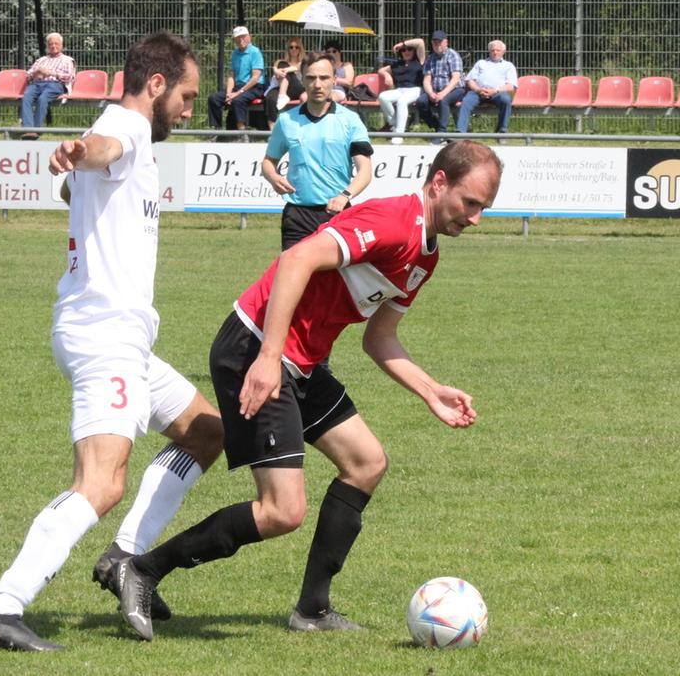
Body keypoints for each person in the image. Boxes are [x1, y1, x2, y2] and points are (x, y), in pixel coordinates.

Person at [117, 140, 504, 642]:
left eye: (483, 209)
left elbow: (379, 338)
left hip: (300, 361)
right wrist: (267, 359)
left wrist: (431, 391)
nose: (474, 218)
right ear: (438, 184)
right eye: (470, 203)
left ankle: (313, 610)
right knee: (282, 511)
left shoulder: (424, 259)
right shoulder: (390, 223)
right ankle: (143, 570)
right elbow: (298, 259)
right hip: (255, 346)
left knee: (366, 463)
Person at [0, 31, 222, 653]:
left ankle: (124, 559)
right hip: (103, 334)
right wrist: (80, 152)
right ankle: (4, 608)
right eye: (186, 96)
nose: (189, 110)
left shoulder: (123, 139)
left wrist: (77, 167)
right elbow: (102, 146)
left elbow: (84, 174)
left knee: (207, 431)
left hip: (123, 338)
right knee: (101, 482)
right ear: (156, 85)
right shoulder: (126, 128)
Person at [261, 51, 373, 251]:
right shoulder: (286, 120)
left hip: (337, 215)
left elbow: (365, 171)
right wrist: (273, 177)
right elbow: (269, 161)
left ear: (334, 80)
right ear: (302, 80)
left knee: (334, 281)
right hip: (297, 216)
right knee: (294, 280)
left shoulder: (350, 120)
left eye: (324, 78)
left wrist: (344, 196)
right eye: (311, 78)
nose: (318, 84)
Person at [207, 26, 266, 139]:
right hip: (238, 87)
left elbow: (255, 78)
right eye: (237, 38)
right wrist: (229, 93)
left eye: (243, 37)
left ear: (249, 37)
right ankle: (217, 132)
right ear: (234, 40)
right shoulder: (235, 53)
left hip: (255, 87)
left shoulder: (255, 52)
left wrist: (236, 94)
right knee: (213, 99)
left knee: (238, 100)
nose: (240, 40)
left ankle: (242, 134)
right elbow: (231, 76)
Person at [19, 32, 76, 140]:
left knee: (43, 98)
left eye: (56, 43)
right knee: (26, 97)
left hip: (55, 84)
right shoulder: (41, 60)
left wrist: (51, 73)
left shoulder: (67, 60)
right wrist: (37, 72)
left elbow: (69, 77)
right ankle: (28, 129)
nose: (53, 46)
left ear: (61, 45)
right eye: (51, 44)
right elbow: (28, 75)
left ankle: (35, 130)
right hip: (37, 83)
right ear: (47, 46)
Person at [456, 40, 518, 137]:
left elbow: (511, 86)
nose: (495, 52)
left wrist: (495, 90)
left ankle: (501, 132)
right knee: (466, 101)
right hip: (478, 92)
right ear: (489, 51)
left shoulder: (508, 66)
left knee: (506, 100)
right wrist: (478, 90)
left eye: (498, 50)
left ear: (503, 52)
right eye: (492, 50)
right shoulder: (481, 63)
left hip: (497, 93)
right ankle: (460, 132)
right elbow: (469, 80)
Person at [414, 30, 466, 141]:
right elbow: (427, 80)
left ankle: (441, 133)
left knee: (444, 101)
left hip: (456, 89)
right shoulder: (430, 58)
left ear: (446, 42)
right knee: (420, 102)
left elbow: (455, 79)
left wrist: (442, 94)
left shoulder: (453, 55)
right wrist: (430, 93)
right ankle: (438, 127)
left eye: (439, 42)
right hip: (436, 90)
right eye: (434, 42)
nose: (437, 45)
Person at [378, 37, 426, 145]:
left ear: (414, 50)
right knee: (383, 97)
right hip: (400, 90)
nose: (406, 52)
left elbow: (420, 42)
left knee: (402, 102)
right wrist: (386, 75)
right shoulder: (397, 64)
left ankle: (399, 134)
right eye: (403, 50)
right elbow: (381, 70)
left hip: (415, 89)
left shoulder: (419, 60)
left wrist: (402, 44)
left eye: (409, 49)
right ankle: (394, 124)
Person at [263, 37, 306, 129]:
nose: (294, 49)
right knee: (270, 97)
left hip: (297, 89)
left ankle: (282, 95)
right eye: (291, 47)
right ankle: (272, 129)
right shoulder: (280, 62)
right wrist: (276, 71)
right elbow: (276, 73)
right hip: (280, 86)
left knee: (285, 69)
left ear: (300, 49)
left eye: (296, 47)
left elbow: (296, 68)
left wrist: (281, 71)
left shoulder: (303, 62)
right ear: (288, 49)